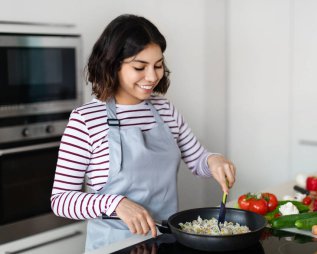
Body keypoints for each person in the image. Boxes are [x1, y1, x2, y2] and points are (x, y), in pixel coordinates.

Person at [50, 14, 236, 252]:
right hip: (115, 246)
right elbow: (61, 200)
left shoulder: (165, 109)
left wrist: (214, 160)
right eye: (140, 67)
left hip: (165, 241)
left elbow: (197, 160)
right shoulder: (85, 120)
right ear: (112, 65)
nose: (152, 77)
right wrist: (115, 203)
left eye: (158, 66)